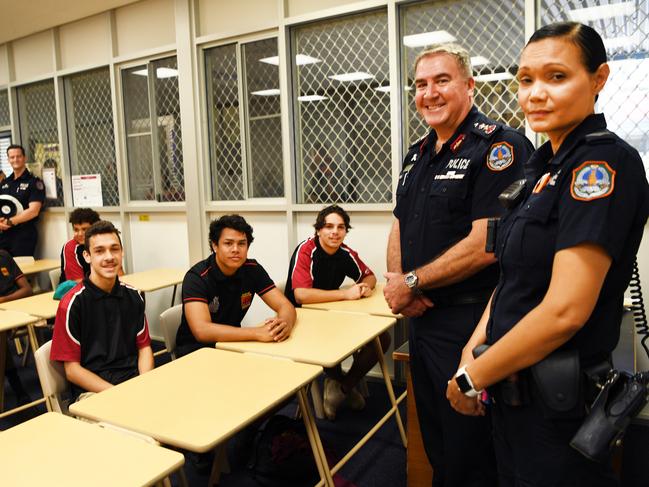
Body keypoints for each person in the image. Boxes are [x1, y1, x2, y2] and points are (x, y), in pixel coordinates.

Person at [446, 22, 649, 487]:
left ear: (598, 80)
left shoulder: (602, 165)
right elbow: (511, 279)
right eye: (525, 79)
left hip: (557, 408)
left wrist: (469, 378)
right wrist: (471, 353)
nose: (535, 93)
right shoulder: (540, 167)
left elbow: (564, 312)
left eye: (556, 77)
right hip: (508, 388)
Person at [383, 44, 534, 486]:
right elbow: (400, 222)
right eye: (421, 84)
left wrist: (411, 281)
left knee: (473, 452)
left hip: (471, 326)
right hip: (423, 322)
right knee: (437, 446)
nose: (429, 93)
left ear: (469, 85)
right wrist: (398, 285)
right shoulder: (418, 153)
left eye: (442, 81)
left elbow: (487, 242)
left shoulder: (500, 147)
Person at [285, 204, 391, 420]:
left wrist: (365, 288)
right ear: (318, 230)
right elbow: (301, 296)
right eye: (329, 226)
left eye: (341, 227)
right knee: (334, 343)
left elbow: (368, 276)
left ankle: (342, 388)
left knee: (382, 339)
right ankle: (338, 385)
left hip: (333, 315)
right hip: (303, 319)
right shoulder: (306, 250)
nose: (335, 232)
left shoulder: (345, 252)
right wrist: (345, 295)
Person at [50, 220, 153, 401]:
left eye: (114, 249)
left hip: (133, 380)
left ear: (122, 252)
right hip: (93, 391)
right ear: (87, 256)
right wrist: (119, 394)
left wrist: (143, 384)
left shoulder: (134, 296)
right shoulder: (72, 303)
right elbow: (73, 371)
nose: (109, 257)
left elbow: (144, 349)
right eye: (99, 251)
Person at [175, 214, 296, 358]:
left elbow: (285, 305)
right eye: (228, 243)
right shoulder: (197, 277)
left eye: (241, 243)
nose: (235, 249)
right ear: (215, 246)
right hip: (196, 351)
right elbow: (202, 331)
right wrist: (257, 333)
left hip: (232, 344)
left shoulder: (252, 269)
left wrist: (284, 325)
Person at [0, 249, 33, 404]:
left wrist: (4, 300)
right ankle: (17, 386)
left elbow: (27, 289)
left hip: (15, 308)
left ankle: (17, 386)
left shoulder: (3, 256)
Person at [0, 144, 45, 257]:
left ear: (24, 158)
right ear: (8, 160)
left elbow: (33, 211)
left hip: (23, 235)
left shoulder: (34, 182)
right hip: (4, 234)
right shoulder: (5, 183)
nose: (15, 159)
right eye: (12, 157)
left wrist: (10, 221)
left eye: (18, 156)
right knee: (4, 271)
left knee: (22, 271)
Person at [60, 208, 101, 282]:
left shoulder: (103, 243)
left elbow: (119, 274)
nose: (80, 234)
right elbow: (77, 282)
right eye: (76, 230)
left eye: (84, 229)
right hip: (76, 290)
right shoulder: (70, 247)